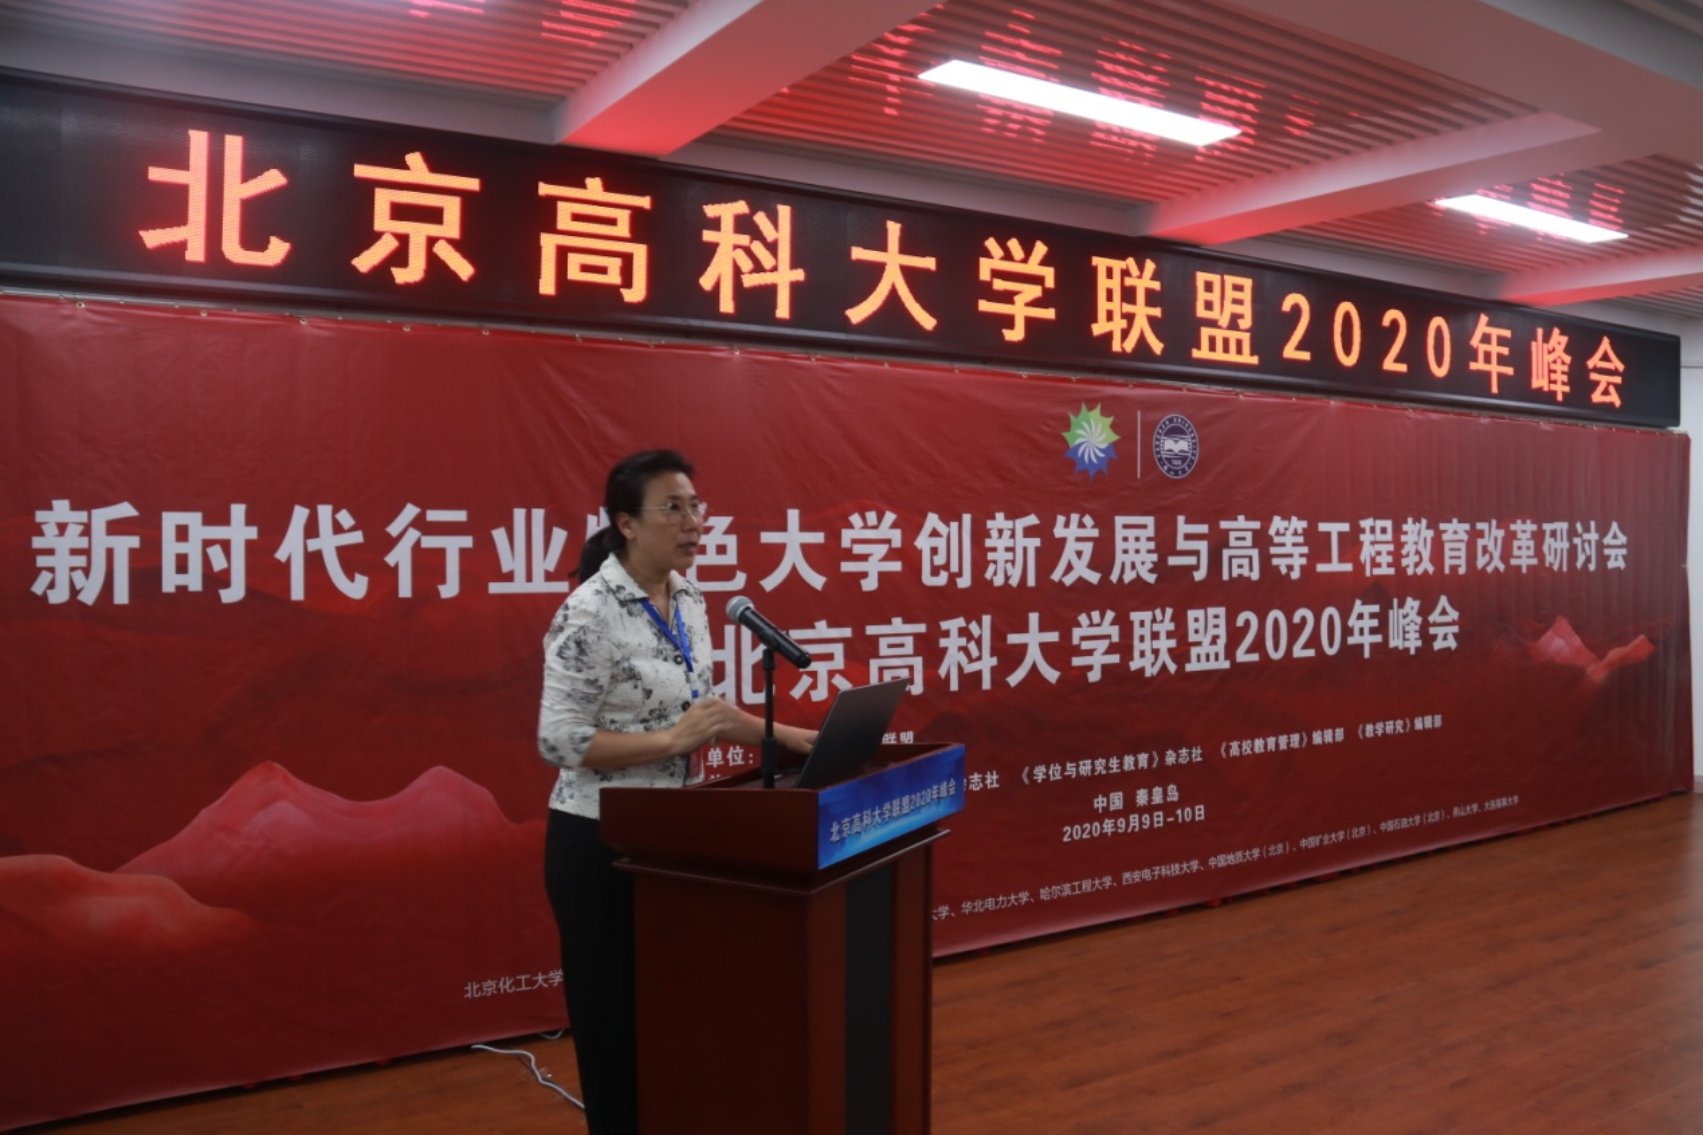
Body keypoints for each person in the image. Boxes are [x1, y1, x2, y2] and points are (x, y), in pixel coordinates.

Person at [537, 449, 815, 1135]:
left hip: (669, 836)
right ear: (626, 523)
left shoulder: (688, 597)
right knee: (613, 1025)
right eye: (674, 508)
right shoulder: (589, 612)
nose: (693, 522)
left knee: (670, 1015)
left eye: (696, 506)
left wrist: (793, 737)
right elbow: (559, 739)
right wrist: (668, 743)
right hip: (598, 840)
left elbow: (702, 713)